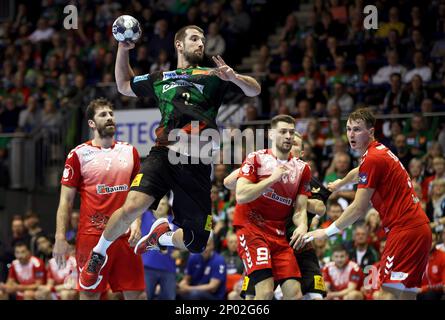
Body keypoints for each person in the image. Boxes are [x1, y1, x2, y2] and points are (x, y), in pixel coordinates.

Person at [79, 25, 260, 288]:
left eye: (203, 40)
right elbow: (123, 85)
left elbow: (254, 90)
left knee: (196, 243)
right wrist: (122, 48)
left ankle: (162, 236)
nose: (201, 44)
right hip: (164, 151)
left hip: (196, 160)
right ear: (178, 44)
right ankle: (98, 253)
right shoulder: (160, 78)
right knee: (132, 207)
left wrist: (234, 77)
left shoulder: (214, 75)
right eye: (195, 39)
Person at [304, 108, 432, 300]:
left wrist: (326, 231)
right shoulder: (378, 151)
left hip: (404, 231)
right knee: (406, 296)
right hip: (418, 229)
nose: (351, 134)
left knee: (386, 294)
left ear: (371, 132)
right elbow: (359, 171)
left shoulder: (372, 158)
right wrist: (341, 183)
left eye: (357, 129)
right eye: (348, 129)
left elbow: (358, 208)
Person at [53, 98, 146, 300]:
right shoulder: (77, 155)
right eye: (103, 115)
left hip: (125, 235)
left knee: (138, 296)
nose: (109, 118)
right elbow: (65, 202)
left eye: (111, 114)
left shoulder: (130, 151)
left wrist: (137, 222)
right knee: (90, 294)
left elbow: (138, 194)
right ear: (91, 123)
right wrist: (60, 237)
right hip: (92, 236)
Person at [224, 131, 329, 300]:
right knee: (254, 294)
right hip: (261, 238)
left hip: (296, 246)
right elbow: (228, 183)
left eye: (294, 144)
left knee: (310, 295)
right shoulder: (262, 166)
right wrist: (254, 169)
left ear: (302, 154)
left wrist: (291, 196)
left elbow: (320, 208)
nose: (289, 145)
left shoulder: (303, 174)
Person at [141, 196, 177, 300]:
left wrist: (180, 253)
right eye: (158, 203)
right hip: (147, 268)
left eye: (163, 204)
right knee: (145, 297)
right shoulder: (144, 216)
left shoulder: (174, 222)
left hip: (168, 268)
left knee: (169, 298)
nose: (160, 206)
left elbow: (182, 244)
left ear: (168, 206)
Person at [176, 235, 227, 300]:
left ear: (212, 246)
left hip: (214, 296)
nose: (204, 248)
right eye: (203, 245)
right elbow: (187, 279)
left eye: (207, 245)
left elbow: (213, 288)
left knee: (194, 294)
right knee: (174, 292)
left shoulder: (219, 260)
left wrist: (188, 288)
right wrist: (181, 285)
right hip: (194, 291)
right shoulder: (193, 257)